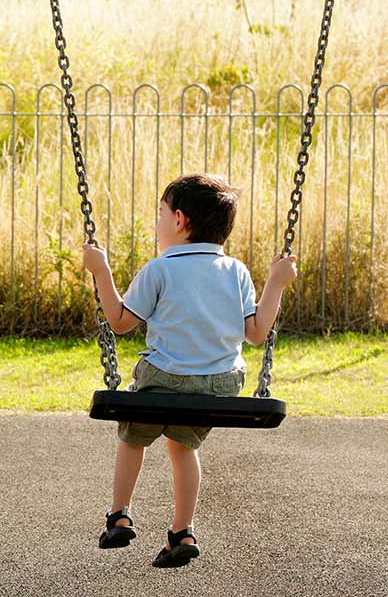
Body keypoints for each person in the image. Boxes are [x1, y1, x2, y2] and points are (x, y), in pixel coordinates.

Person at [82, 173, 297, 567]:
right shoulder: (236, 272)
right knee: (183, 447)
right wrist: (278, 283)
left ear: (179, 220)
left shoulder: (160, 269)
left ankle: (120, 514)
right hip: (220, 386)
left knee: (133, 436)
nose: (159, 222)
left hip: (163, 379)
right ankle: (182, 531)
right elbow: (256, 333)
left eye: (161, 214)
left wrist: (101, 271)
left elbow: (119, 322)